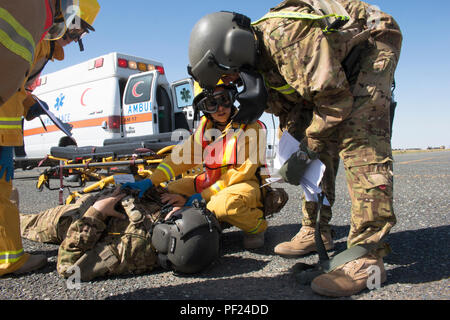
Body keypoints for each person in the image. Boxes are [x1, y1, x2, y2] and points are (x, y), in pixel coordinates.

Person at [186, 0, 402, 297]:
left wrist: (304, 152)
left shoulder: (287, 39)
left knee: (359, 140)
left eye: (229, 74)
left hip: (371, 42)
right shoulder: (258, 65)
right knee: (312, 145)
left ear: (234, 50)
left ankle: (368, 256)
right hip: (331, 74)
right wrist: (293, 150)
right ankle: (316, 231)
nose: (231, 82)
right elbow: (292, 113)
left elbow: (334, 103)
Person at [0, 0, 100, 277]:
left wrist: (28, 101)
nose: (75, 37)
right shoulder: (35, 38)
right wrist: (26, 101)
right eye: (75, 28)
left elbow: (13, 80)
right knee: (2, 195)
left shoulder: (41, 43)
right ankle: (9, 259)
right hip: (1, 130)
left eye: (81, 33)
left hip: (5, 126)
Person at [122, 82, 281, 250]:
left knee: (224, 205)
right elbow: (182, 157)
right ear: (203, 108)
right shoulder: (206, 128)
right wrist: (150, 181)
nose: (220, 108)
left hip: (245, 183)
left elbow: (240, 174)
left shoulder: (250, 127)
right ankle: (208, 219)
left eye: (224, 99)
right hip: (212, 182)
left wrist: (203, 197)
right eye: (211, 103)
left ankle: (256, 228)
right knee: (171, 189)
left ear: (232, 98)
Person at [19, 187, 221, 281]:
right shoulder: (196, 236)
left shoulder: (129, 252)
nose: (179, 210)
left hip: (69, 220)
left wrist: (96, 213)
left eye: (179, 216)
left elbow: (69, 269)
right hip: (105, 195)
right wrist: (178, 196)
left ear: (165, 235)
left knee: (18, 223)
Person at [0, 0, 82, 106]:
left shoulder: (46, 50)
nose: (74, 40)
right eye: (74, 31)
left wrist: (28, 104)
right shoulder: (39, 45)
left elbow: (17, 85)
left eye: (80, 34)